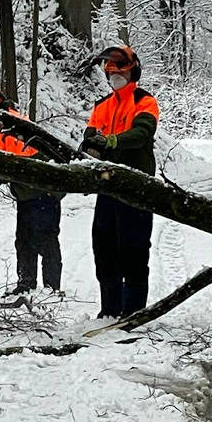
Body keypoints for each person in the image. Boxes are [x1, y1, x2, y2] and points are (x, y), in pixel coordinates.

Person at [79, 46, 160, 319]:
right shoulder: (102, 105)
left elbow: (142, 133)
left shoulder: (144, 102)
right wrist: (90, 147)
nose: (115, 77)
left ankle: (134, 310)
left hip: (137, 184)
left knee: (134, 250)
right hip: (108, 185)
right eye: (111, 73)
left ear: (132, 71)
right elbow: (91, 136)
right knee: (104, 248)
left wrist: (112, 141)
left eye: (120, 72)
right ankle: (110, 309)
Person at [0, 85, 62, 296]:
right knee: (24, 240)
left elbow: (8, 166)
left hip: (45, 190)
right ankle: (26, 284)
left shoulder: (15, 127)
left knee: (47, 240)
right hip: (25, 194)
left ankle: (52, 288)